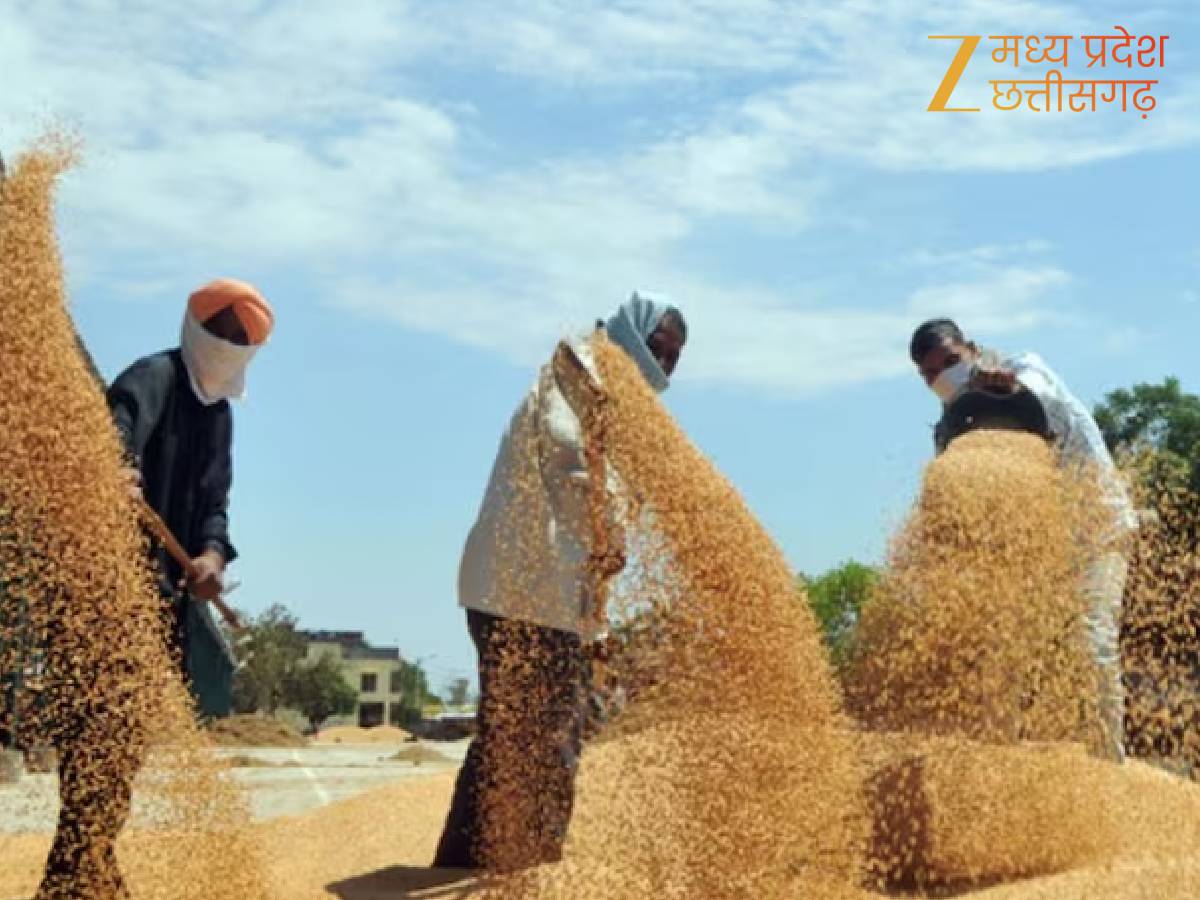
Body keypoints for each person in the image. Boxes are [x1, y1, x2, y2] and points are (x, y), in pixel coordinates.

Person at [433, 293, 687, 872]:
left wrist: (609, 539)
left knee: (504, 731)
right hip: (520, 587)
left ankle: (461, 863)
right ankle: (537, 870)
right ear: (629, 333)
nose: (664, 368)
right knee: (553, 733)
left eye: (674, 359)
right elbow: (572, 461)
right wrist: (608, 532)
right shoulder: (576, 373)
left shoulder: (616, 403)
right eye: (658, 349)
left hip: (535, 592)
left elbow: (605, 489)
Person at [36, 280, 273, 900]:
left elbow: (215, 506)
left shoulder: (219, 417)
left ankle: (85, 869)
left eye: (239, 339)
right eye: (220, 332)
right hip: (104, 592)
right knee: (97, 742)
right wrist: (116, 472)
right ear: (196, 328)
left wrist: (212, 557)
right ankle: (77, 874)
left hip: (158, 601)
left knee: (121, 749)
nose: (226, 345)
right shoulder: (153, 377)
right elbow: (115, 433)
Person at [909, 318, 1138, 761]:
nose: (943, 377)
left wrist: (1008, 388)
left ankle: (1110, 764)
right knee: (997, 651)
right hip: (1036, 549)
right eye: (930, 374)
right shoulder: (956, 428)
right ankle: (1000, 759)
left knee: (1091, 644)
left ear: (972, 349)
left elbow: (1035, 396)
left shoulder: (1025, 369)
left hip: (1095, 530)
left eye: (952, 361)